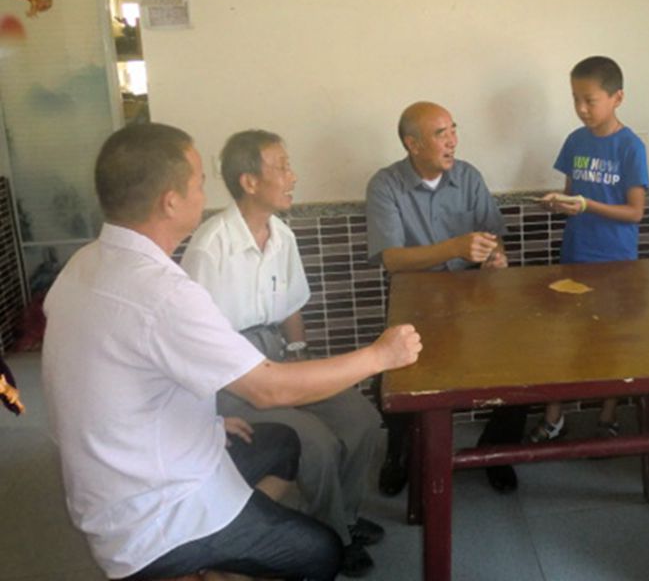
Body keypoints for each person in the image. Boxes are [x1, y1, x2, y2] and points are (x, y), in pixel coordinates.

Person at [42, 123, 421, 581]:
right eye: (199, 183)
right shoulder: (164, 290)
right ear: (171, 201)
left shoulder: (84, 264)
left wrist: (213, 422)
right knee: (319, 553)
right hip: (155, 512)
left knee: (287, 443)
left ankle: (225, 558)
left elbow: (127, 378)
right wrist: (380, 356)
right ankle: (206, 561)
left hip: (124, 475)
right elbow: (266, 389)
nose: (205, 193)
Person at [180, 130, 385, 577]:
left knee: (362, 420)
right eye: (283, 167)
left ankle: (345, 518)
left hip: (279, 356)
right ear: (249, 181)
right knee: (315, 441)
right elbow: (193, 339)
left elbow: (291, 308)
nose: (293, 176)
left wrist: (300, 356)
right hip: (233, 375)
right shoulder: (210, 246)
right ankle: (334, 535)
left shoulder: (282, 236)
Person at [366, 101, 526, 495]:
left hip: (474, 297)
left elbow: (493, 237)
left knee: (521, 362)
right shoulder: (385, 185)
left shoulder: (469, 176)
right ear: (413, 144)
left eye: (454, 130)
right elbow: (391, 259)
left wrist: (495, 257)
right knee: (392, 377)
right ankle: (400, 451)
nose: (453, 141)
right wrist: (454, 247)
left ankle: (495, 451)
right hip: (415, 300)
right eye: (441, 134)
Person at [531, 55, 649, 443]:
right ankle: (555, 417)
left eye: (590, 100)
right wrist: (560, 204)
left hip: (616, 262)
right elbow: (573, 196)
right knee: (565, 337)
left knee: (611, 340)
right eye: (575, 99)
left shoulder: (631, 146)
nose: (581, 109)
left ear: (618, 98)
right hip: (575, 255)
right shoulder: (575, 140)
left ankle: (608, 417)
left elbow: (635, 212)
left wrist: (586, 204)